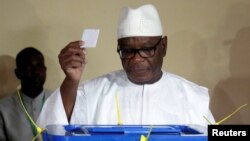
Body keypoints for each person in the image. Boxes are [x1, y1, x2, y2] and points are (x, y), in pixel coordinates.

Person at [37, 4, 215, 128]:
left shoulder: (191, 98)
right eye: (127, 51)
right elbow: (54, 128)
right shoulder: (94, 92)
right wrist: (70, 81)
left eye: (146, 50)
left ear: (163, 47)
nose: (136, 59)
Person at [0, 47, 51, 141]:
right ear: (18, 73)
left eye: (39, 65)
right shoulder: (3, 108)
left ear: (45, 69)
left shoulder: (60, 101)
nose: (35, 71)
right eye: (29, 66)